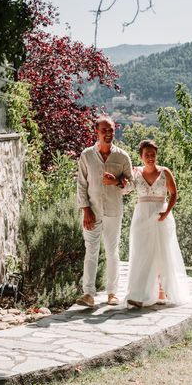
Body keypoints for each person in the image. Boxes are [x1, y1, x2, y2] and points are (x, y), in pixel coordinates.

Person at [76, 115, 132, 307]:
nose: (108, 134)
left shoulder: (122, 156)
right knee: (90, 252)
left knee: (112, 252)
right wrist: (85, 210)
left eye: (111, 130)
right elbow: (81, 185)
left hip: (114, 211)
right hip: (92, 211)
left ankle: (112, 293)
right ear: (96, 132)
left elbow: (131, 185)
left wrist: (116, 181)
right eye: (104, 131)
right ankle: (89, 294)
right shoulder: (86, 155)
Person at [125, 139, 190, 308]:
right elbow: (125, 188)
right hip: (141, 216)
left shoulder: (165, 172)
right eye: (147, 155)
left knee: (162, 253)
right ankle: (138, 294)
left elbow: (174, 194)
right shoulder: (135, 172)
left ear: (156, 155)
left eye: (153, 154)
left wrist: (166, 212)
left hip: (161, 216)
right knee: (142, 253)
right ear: (141, 156)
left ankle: (162, 291)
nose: (150, 158)